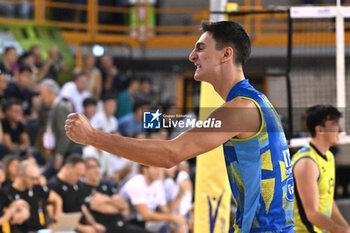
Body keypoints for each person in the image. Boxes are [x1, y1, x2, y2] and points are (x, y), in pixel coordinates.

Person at [65, 21, 294, 232]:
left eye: (201, 48)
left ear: (226, 54)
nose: (192, 56)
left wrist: (93, 137)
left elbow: (170, 155)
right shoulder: (256, 102)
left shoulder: (240, 109)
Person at [292, 105, 350, 232]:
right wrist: (340, 230)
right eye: (335, 124)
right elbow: (312, 213)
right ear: (320, 130)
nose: (340, 130)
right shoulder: (307, 163)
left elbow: (328, 200)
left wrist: (345, 227)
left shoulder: (329, 156)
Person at [0, 160, 62, 232]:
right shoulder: (6, 192)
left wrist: (55, 221)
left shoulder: (36, 187)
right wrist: (14, 210)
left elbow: (57, 199)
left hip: (40, 229)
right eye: (32, 178)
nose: (35, 181)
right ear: (21, 175)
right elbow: (14, 217)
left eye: (37, 178)